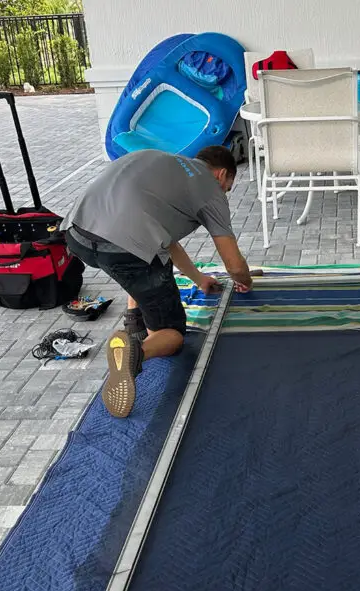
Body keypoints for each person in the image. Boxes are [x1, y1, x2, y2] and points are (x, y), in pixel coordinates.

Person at [61, 146, 253, 419]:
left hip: (76, 235)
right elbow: (234, 265)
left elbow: (164, 242)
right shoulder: (210, 190)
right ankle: (135, 353)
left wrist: (198, 279)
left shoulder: (157, 160)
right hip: (123, 248)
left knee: (138, 262)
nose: (224, 194)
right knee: (172, 333)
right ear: (222, 175)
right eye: (228, 188)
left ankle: (133, 320)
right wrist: (243, 281)